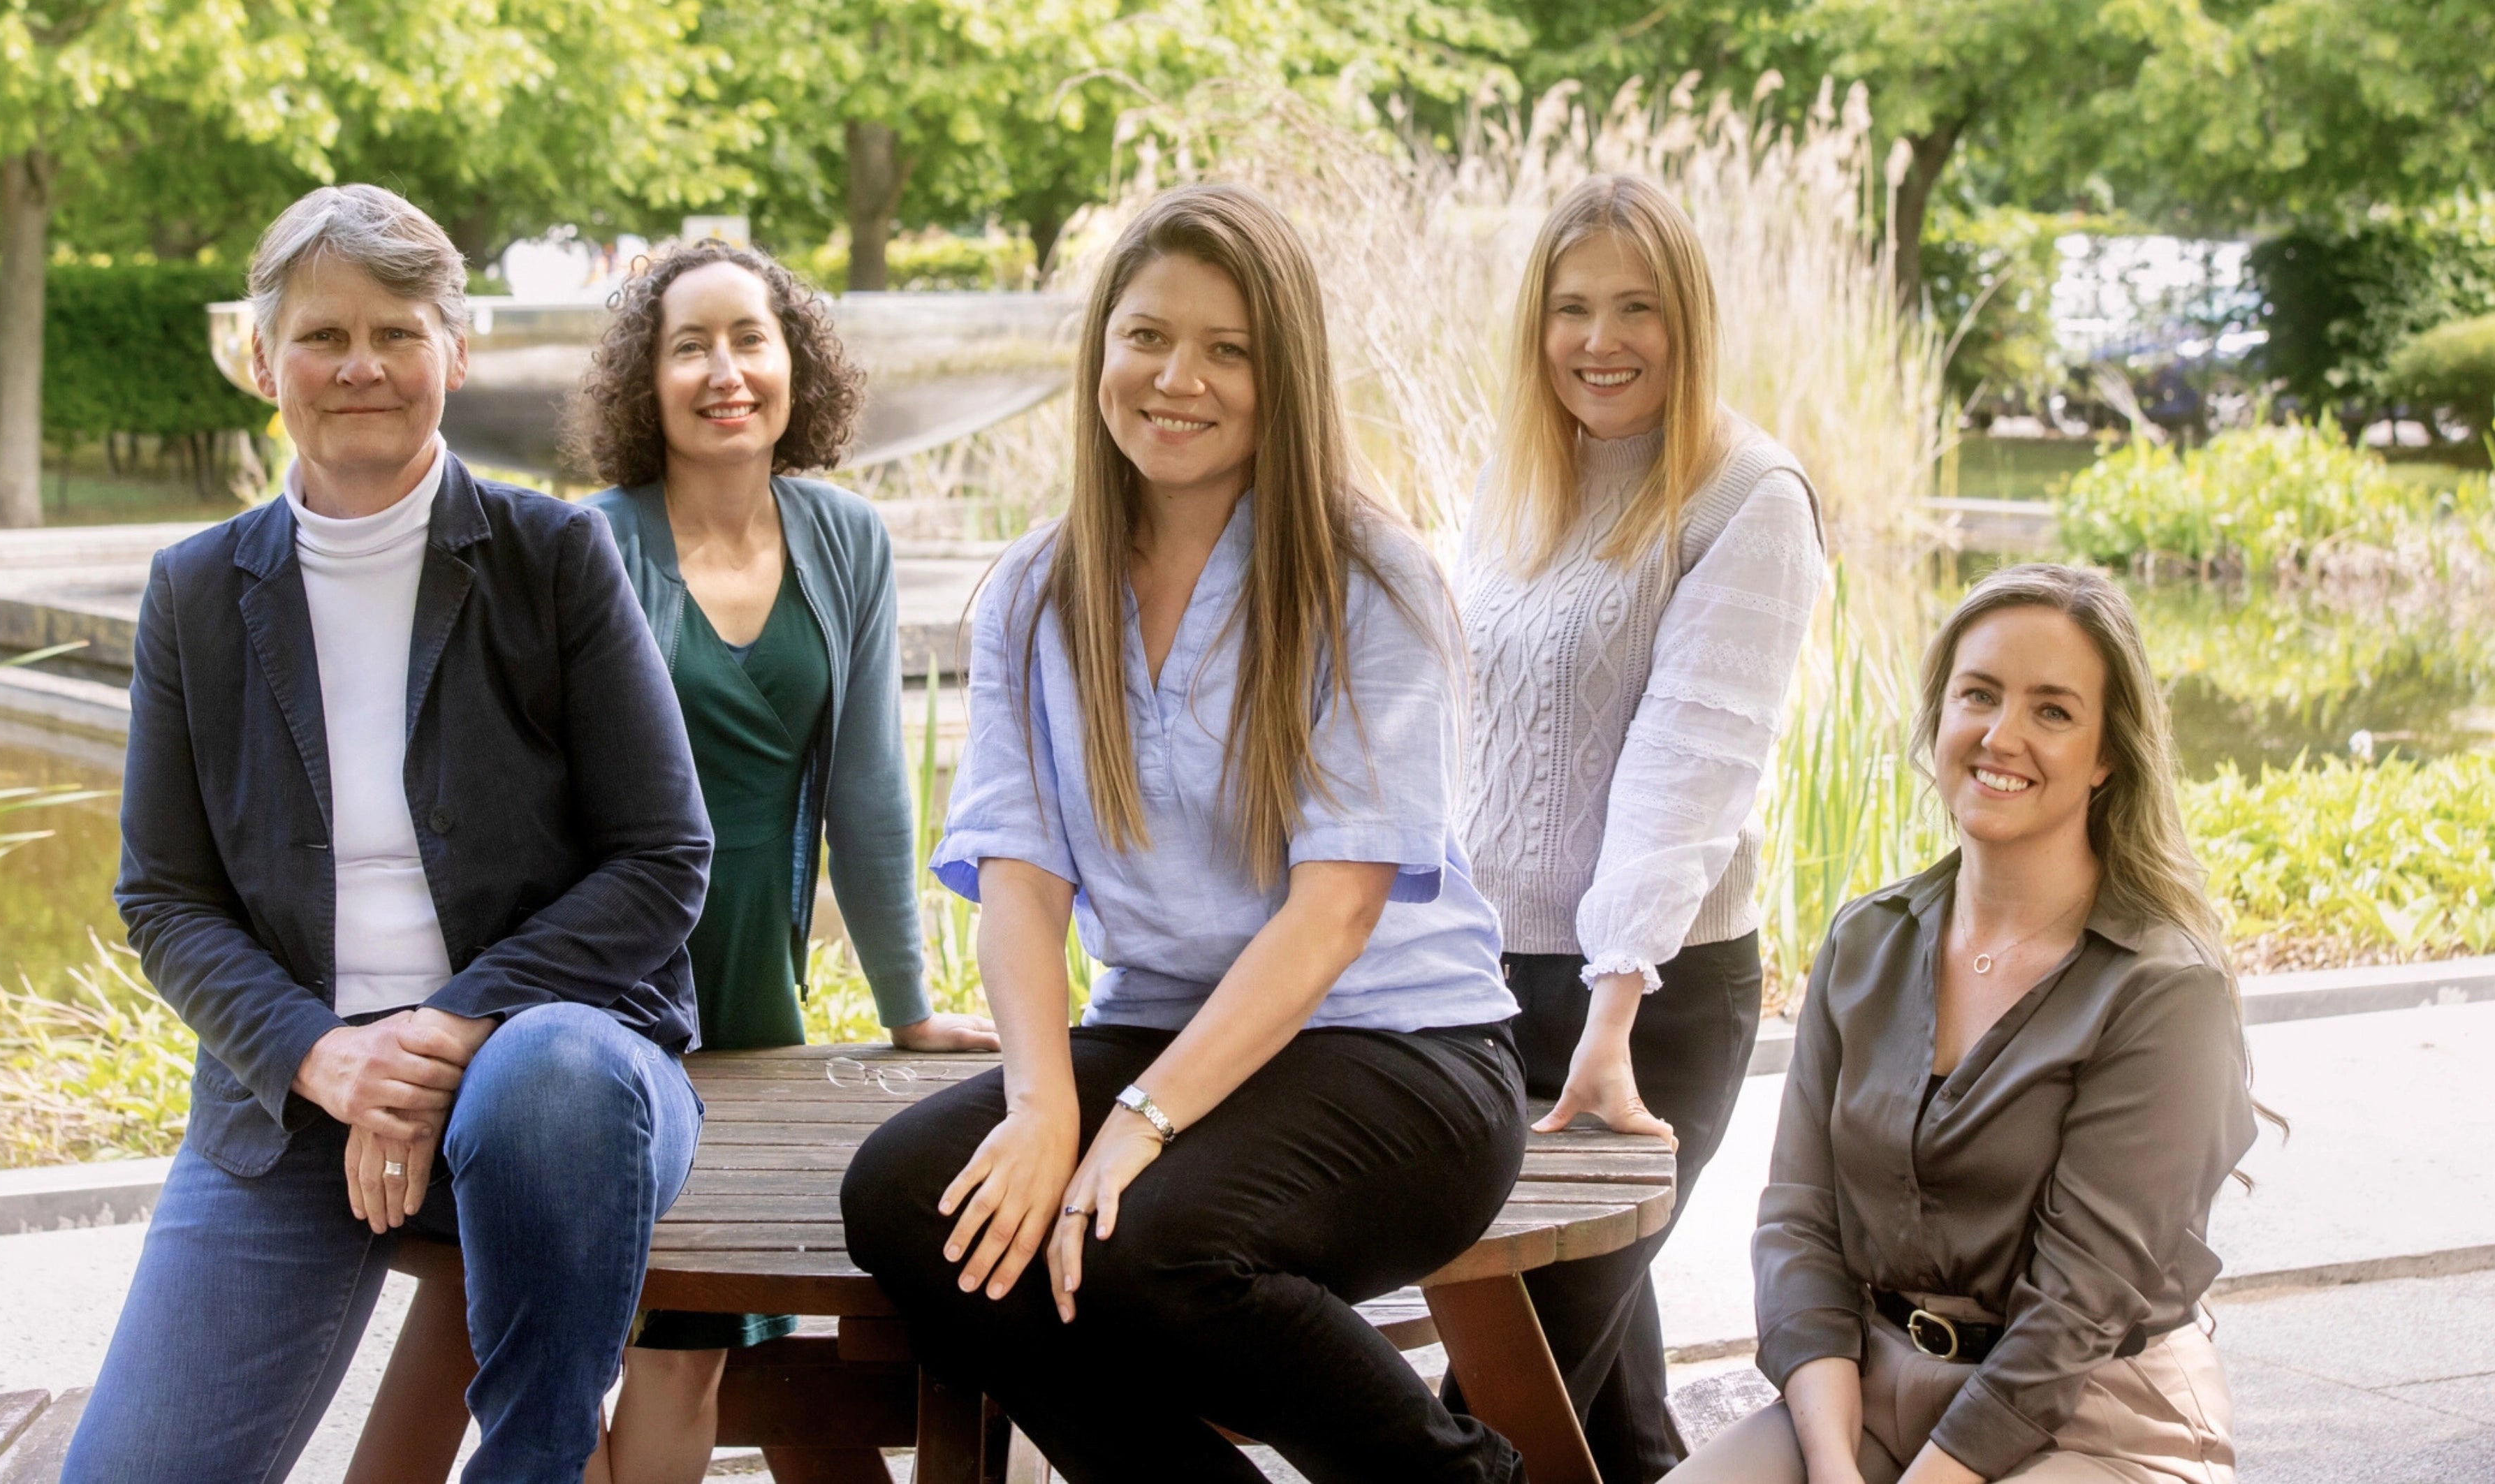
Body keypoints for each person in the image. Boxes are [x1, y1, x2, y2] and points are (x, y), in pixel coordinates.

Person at [837, 182, 1528, 1483]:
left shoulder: (1369, 579)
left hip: (1402, 1052)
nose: (1178, 379)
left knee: (1145, 1235)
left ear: (1286, 375)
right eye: (1147, 335)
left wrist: (1134, 1124)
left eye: (1228, 350)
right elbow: (1022, 887)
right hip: (1156, 1022)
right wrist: (1046, 1104)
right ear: (1101, 344)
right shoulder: (1037, 592)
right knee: (909, 1196)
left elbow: (1335, 912)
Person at [61, 184, 713, 1484]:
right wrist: (325, 1059)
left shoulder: (553, 555)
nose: (361, 364)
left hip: (559, 1060)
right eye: (321, 334)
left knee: (550, 1081)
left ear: (455, 356)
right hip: (295, 1101)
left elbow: (663, 858)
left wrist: (446, 1026)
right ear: (262, 358)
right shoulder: (193, 592)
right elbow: (165, 900)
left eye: (400, 332)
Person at [1669, 563, 2257, 1483]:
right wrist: (1828, 1462)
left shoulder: (2162, 993)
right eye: (1977, 694)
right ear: (1938, 717)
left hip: (2090, 1410)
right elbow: (1798, 1224)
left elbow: (2074, 1312)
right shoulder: (1866, 942)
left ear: (2107, 753)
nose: (2000, 734)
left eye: (2052, 710)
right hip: (1867, 1393)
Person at [565, 240, 997, 1484]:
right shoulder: (591, 543)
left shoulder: (843, 537)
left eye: (748, 339)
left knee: (733, 1326)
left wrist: (907, 1005)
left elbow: (864, 787)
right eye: (687, 345)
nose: (723, 371)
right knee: (660, 1337)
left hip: (758, 985)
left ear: (794, 362)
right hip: (616, 979)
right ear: (641, 381)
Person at [1451, 170, 1825, 1474]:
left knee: (1500, 1377)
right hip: (1485, 986)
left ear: (1689, 319)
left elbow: (1693, 768)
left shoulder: (1747, 498)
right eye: (1570, 309)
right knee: (1587, 1401)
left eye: (1635, 308)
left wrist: (1609, 1015)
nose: (1598, 342)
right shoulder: (1518, 479)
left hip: (1648, 1003)